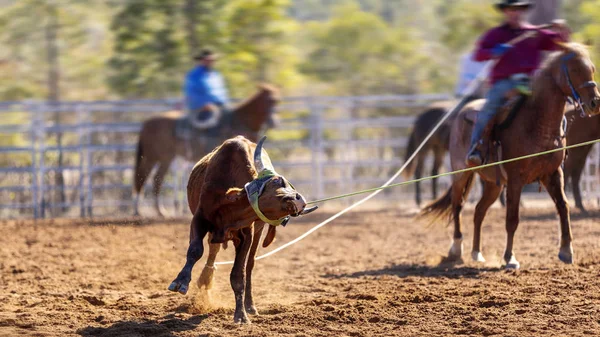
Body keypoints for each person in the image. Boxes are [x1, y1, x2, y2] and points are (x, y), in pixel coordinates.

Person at [465, 0, 570, 167]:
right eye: (511, 9)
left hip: (531, 83)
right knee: (488, 109)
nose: (515, 13)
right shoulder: (496, 34)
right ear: (505, 12)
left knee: (555, 107)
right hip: (503, 83)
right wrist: (493, 51)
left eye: (519, 9)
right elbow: (478, 54)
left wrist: (561, 29)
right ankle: (476, 148)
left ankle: (558, 147)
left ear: (523, 11)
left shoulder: (534, 33)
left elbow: (561, 44)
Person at [184, 49, 230, 129]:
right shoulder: (194, 75)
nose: (210, 62)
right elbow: (191, 93)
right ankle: (209, 141)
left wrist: (225, 102)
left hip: (220, 106)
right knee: (212, 125)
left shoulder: (216, 74)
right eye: (207, 60)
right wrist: (204, 104)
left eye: (211, 60)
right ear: (201, 61)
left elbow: (222, 92)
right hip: (203, 109)